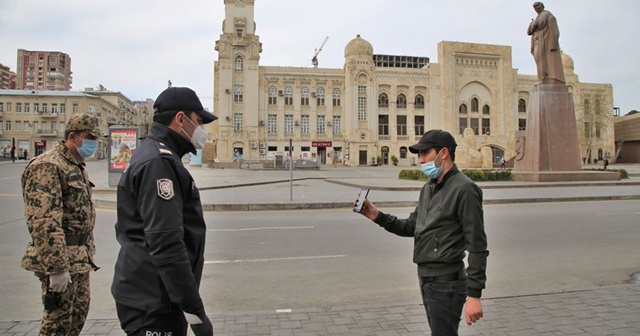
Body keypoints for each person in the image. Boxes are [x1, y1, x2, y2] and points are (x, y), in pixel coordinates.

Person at [356, 129, 489, 336]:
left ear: (443, 153)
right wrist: (377, 215)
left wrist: (474, 295)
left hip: (447, 282)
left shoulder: (465, 189)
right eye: (419, 155)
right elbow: (412, 226)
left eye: (425, 153)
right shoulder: (429, 188)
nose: (420, 160)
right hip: (427, 279)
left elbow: (477, 245)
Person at [112, 87, 217, 336]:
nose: (201, 130)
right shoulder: (159, 163)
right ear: (180, 119)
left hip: (152, 294)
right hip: (153, 303)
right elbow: (167, 245)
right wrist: (196, 313)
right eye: (199, 122)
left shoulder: (156, 154)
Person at [21, 113, 102, 335]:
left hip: (79, 259)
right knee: (57, 326)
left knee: (76, 318)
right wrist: (57, 268)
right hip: (61, 260)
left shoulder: (75, 164)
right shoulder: (48, 165)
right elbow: (44, 221)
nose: (93, 143)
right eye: (89, 137)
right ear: (73, 136)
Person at [527, 2, 565, 84]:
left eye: (538, 7)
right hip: (537, 41)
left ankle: (544, 77)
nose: (537, 9)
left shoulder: (546, 14)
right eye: (535, 8)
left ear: (542, 7)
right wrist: (532, 24)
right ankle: (542, 77)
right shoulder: (538, 17)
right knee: (538, 59)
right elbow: (529, 32)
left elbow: (540, 23)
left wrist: (533, 24)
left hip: (543, 41)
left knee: (542, 59)